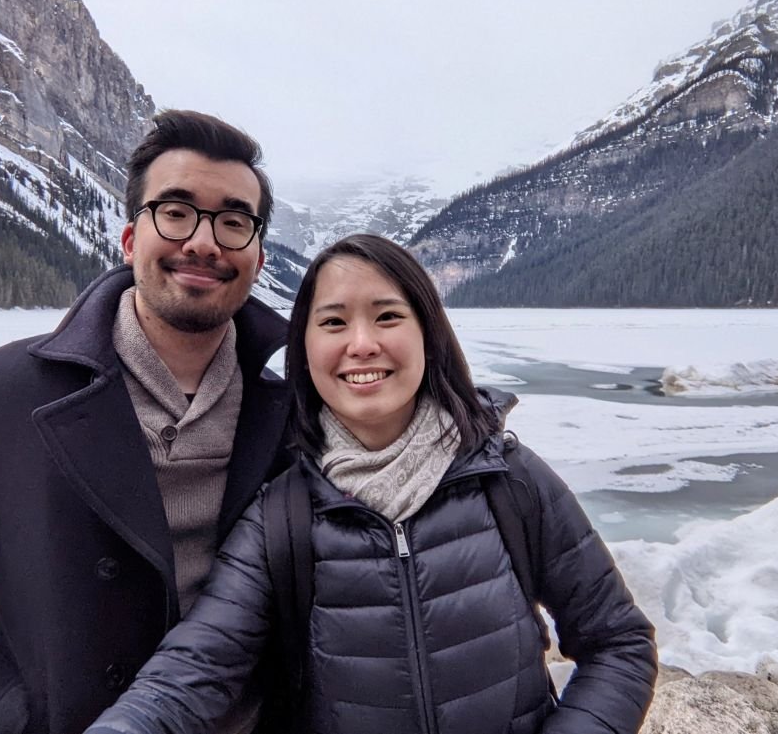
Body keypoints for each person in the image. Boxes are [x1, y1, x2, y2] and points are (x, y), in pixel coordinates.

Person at [85, 234, 658, 734]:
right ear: (305, 351)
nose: (362, 344)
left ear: (428, 333)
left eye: (387, 316)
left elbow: (619, 644)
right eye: (333, 322)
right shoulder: (282, 517)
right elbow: (195, 669)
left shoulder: (508, 480)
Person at [0, 110, 293, 734]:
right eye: (176, 211)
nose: (204, 242)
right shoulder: (2, 393)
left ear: (258, 256)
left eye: (234, 221)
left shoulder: (289, 410)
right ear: (131, 239)